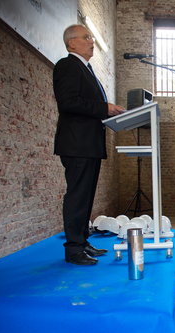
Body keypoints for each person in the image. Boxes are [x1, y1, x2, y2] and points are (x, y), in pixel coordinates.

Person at [53, 24, 125, 265]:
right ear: (71, 43)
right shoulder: (67, 65)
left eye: (92, 37)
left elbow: (87, 104)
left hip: (89, 143)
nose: (91, 41)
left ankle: (82, 242)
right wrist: (104, 108)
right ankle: (73, 249)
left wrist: (109, 111)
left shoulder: (87, 69)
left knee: (86, 196)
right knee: (77, 196)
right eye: (86, 37)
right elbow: (68, 102)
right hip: (76, 144)